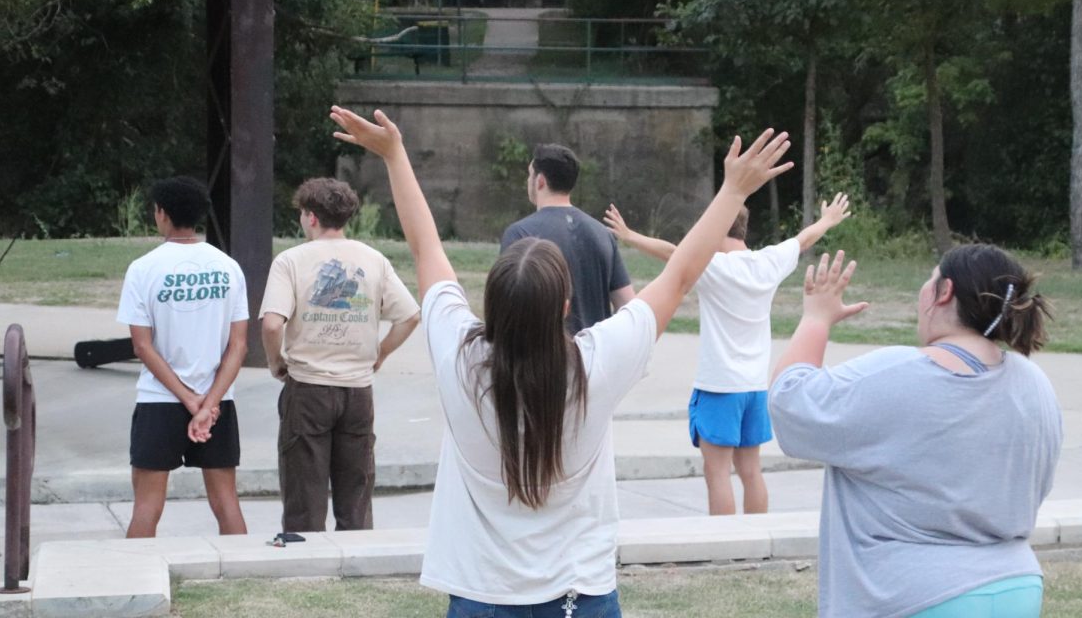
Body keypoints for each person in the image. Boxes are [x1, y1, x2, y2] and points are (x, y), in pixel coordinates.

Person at [330, 104, 791, 617]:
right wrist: (732, 192)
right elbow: (680, 275)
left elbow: (425, 249)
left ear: (492, 302)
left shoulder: (460, 357)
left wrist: (395, 155)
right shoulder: (596, 364)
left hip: (482, 597)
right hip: (580, 597)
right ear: (567, 307)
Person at [768, 245, 1062, 618]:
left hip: (916, 596)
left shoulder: (898, 374)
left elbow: (789, 404)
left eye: (929, 280)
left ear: (944, 292)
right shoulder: (1034, 383)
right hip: (1017, 586)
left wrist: (815, 320)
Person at [603, 194, 851, 516]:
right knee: (751, 471)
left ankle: (728, 546)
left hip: (719, 387)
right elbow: (803, 239)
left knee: (717, 473)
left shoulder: (712, 265)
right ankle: (756, 541)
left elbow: (674, 254)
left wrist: (629, 236)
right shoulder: (769, 261)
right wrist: (827, 219)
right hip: (754, 388)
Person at [260, 177, 420, 532]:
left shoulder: (290, 261)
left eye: (302, 214)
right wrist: (381, 353)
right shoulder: (373, 259)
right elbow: (409, 315)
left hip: (308, 387)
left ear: (312, 217)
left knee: (304, 493)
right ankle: (358, 554)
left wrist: (276, 362)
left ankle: (305, 562)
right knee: (356, 491)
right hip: (359, 390)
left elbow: (272, 324)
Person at [115, 176, 249, 538]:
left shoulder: (143, 269)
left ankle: (136, 580)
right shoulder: (229, 267)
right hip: (218, 401)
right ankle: (241, 580)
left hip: (160, 400)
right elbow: (239, 346)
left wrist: (189, 399)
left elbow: (142, 346)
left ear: (162, 214)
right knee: (226, 503)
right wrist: (208, 404)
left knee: (147, 506)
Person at [500, 143, 634, 335]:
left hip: (541, 358)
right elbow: (628, 306)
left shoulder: (519, 234)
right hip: (592, 358)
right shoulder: (602, 233)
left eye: (530, 175)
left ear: (540, 181)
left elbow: (507, 309)